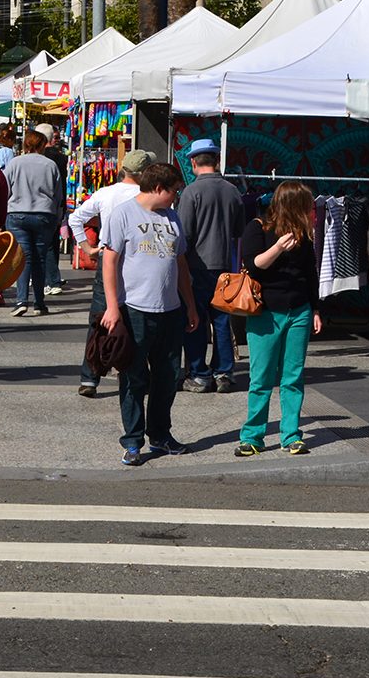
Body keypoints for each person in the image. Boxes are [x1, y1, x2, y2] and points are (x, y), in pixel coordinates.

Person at [100, 161, 200, 466]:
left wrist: (190, 305)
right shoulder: (124, 213)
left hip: (170, 310)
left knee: (168, 376)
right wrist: (112, 306)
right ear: (158, 188)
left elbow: (180, 263)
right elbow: (109, 262)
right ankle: (133, 441)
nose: (176, 197)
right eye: (174, 191)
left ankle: (161, 434)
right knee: (133, 377)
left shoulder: (172, 217)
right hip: (135, 310)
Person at [235, 181, 322, 457]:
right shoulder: (258, 227)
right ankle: (252, 437)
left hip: (299, 311)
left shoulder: (304, 235)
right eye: (307, 205)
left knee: (293, 377)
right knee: (261, 377)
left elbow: (310, 273)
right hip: (266, 313)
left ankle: (292, 436)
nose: (311, 211)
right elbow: (252, 265)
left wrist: (316, 309)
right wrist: (278, 248)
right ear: (293, 205)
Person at [69, 149, 152, 397]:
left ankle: (89, 377)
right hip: (138, 259)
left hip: (108, 256)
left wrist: (88, 248)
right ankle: (132, 371)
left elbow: (75, 219)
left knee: (99, 318)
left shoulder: (105, 193)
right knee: (136, 317)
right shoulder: (146, 195)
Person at [178, 138, 245, 394]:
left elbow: (185, 235)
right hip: (226, 266)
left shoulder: (191, 193)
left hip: (197, 266)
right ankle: (224, 372)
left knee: (194, 320)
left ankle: (199, 373)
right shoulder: (232, 191)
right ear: (216, 161)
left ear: (193, 162)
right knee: (221, 321)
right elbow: (239, 230)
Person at [2, 130, 62, 317]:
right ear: (42, 145)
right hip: (44, 214)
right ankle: (39, 302)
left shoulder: (14, 163)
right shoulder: (50, 165)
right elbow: (57, 194)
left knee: (23, 258)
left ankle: (21, 300)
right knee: (40, 258)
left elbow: (6, 189)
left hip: (18, 214)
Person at [35, 123, 67, 295]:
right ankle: (52, 276)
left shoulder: (39, 157)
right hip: (57, 202)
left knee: (44, 245)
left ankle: (52, 279)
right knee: (52, 242)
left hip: (41, 204)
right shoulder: (61, 158)